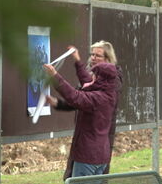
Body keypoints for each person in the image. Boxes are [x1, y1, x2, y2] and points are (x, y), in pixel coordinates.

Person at [46, 41, 123, 179]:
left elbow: (76, 97)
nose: (90, 78)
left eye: (97, 55)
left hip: (89, 155)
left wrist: (55, 76)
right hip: (100, 154)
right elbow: (87, 84)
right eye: (91, 54)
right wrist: (77, 61)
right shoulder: (107, 88)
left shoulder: (98, 97)